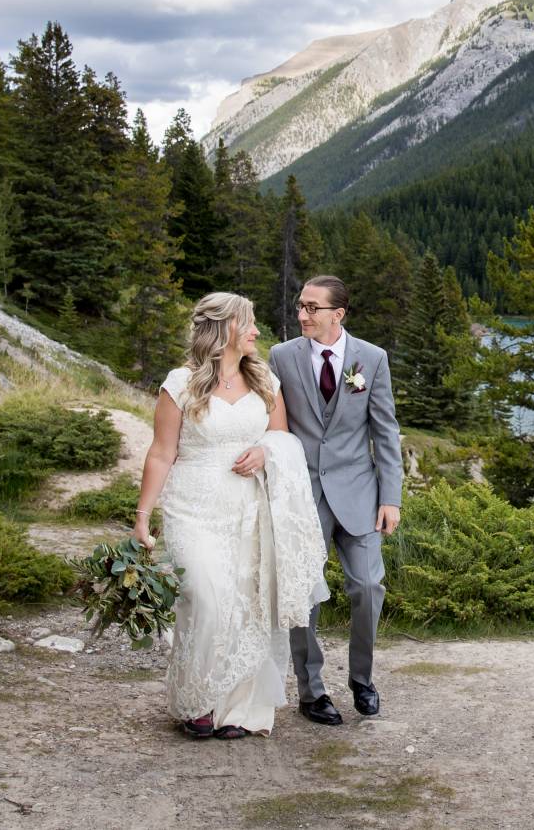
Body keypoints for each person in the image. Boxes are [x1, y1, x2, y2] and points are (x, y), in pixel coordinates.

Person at [133, 292, 328, 739]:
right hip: (193, 506)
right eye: (250, 323)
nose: (257, 331)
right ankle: (196, 699)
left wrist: (264, 450)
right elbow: (162, 453)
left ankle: (238, 707)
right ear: (224, 330)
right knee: (204, 596)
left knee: (246, 604)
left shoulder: (266, 384)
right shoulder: (179, 384)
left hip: (249, 508)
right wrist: (143, 516)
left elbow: (284, 442)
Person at [269, 275, 403, 725]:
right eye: (300, 306)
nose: (301, 315)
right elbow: (271, 422)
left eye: (311, 308)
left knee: (367, 587)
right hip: (301, 494)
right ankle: (311, 691)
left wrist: (391, 497)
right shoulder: (281, 357)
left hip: (361, 492)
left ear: (337, 314)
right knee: (303, 593)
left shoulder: (373, 359)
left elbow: (385, 432)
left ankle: (362, 681)